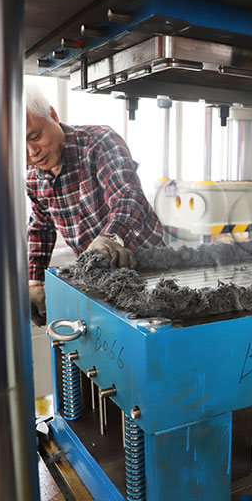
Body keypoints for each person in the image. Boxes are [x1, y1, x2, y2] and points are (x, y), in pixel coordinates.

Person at [25, 85, 163, 325]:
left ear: (53, 115)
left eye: (35, 137)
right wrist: (34, 281)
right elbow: (40, 227)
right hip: (100, 282)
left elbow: (127, 196)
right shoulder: (34, 177)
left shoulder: (99, 142)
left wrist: (109, 238)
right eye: (20, 148)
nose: (32, 153)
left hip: (150, 273)